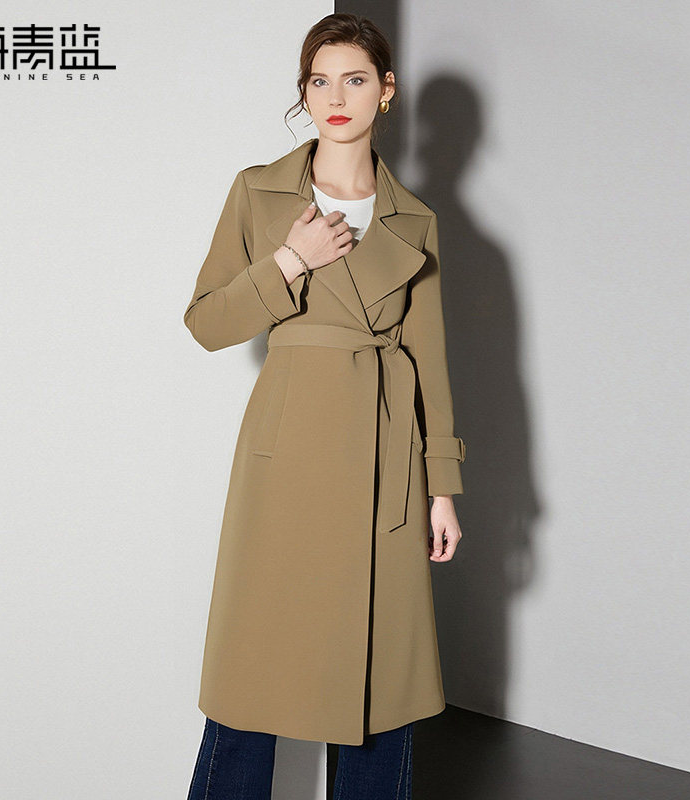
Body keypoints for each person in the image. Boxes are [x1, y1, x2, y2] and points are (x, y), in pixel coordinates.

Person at [183, 12, 466, 800]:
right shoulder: (258, 191)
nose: (336, 98)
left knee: (381, 682)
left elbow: (429, 361)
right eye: (319, 80)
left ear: (387, 90)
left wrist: (442, 487)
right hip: (287, 458)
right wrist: (288, 260)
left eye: (354, 79)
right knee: (252, 672)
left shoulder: (416, 220)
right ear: (304, 93)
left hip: (384, 463)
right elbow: (207, 324)